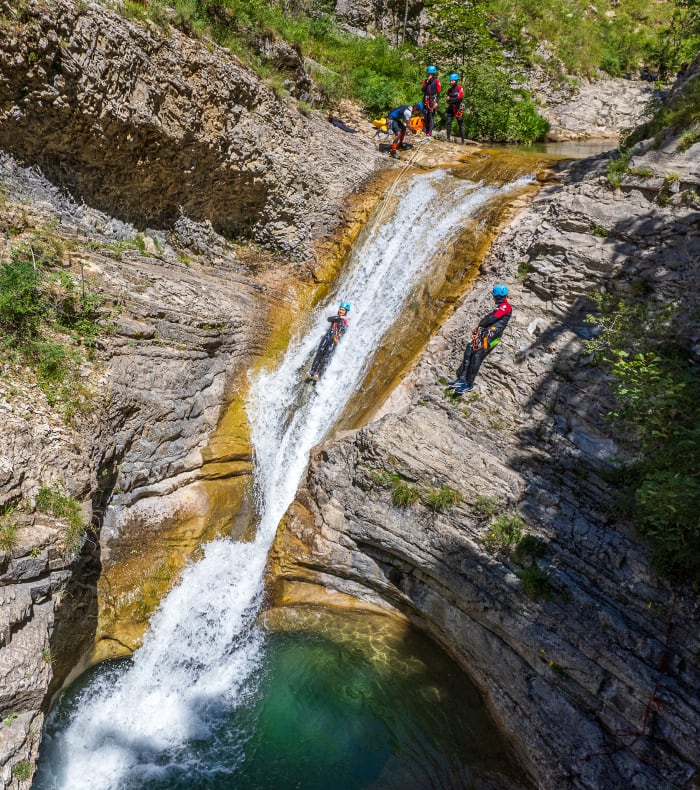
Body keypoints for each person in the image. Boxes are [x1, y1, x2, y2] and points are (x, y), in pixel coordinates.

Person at [447, 285, 512, 394]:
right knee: (469, 350)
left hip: (492, 337)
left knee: (477, 355)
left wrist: (481, 324)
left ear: (498, 297)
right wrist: (480, 327)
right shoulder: (500, 306)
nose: (493, 298)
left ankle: (469, 384)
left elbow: (492, 318)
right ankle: (462, 379)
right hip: (486, 334)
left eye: (494, 296)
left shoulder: (505, 307)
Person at [308, 302, 350, 382]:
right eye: (340, 309)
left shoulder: (345, 320)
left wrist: (339, 334)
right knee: (320, 352)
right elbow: (329, 319)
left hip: (334, 339)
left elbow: (343, 331)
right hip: (327, 336)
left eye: (343, 310)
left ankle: (318, 373)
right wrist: (338, 317)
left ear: (345, 311)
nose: (341, 311)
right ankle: (312, 371)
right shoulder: (336, 317)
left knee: (326, 356)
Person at [445, 72, 465, 144]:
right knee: (448, 122)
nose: (451, 82)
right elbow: (447, 100)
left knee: (460, 123)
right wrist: (450, 100)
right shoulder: (449, 90)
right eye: (450, 80)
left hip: (458, 108)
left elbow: (459, 99)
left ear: (456, 81)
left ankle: (463, 141)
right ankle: (448, 138)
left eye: (452, 80)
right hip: (451, 107)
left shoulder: (460, 88)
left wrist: (450, 99)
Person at [421, 65, 441, 138]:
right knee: (425, 115)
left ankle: (430, 131)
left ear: (433, 74)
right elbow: (423, 90)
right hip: (425, 99)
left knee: (431, 116)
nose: (430, 75)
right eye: (429, 74)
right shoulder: (425, 81)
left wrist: (437, 102)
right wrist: (427, 82)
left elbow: (439, 93)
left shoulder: (437, 81)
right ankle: (425, 130)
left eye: (431, 74)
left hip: (432, 100)